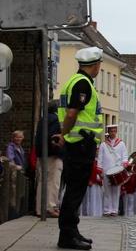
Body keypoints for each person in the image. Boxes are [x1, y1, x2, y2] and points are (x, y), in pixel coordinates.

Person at [52, 46, 104, 250]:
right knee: (74, 191)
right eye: (100, 64)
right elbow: (72, 114)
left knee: (74, 190)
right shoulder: (83, 84)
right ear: (96, 65)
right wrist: (64, 135)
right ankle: (67, 236)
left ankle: (72, 231)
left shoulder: (74, 81)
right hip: (81, 144)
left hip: (78, 144)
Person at [35, 101, 64, 218]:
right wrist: (59, 150)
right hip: (52, 155)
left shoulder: (43, 119)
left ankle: (40, 208)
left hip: (42, 154)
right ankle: (50, 207)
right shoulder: (55, 120)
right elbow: (53, 137)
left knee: (42, 181)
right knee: (53, 181)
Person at [98, 125, 128, 216]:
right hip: (106, 170)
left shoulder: (121, 144)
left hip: (117, 170)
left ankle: (114, 210)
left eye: (114, 131)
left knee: (116, 190)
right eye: (111, 131)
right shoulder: (103, 144)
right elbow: (100, 158)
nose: (113, 133)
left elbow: (125, 156)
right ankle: (107, 210)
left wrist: (123, 165)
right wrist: (100, 169)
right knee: (107, 191)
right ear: (108, 132)